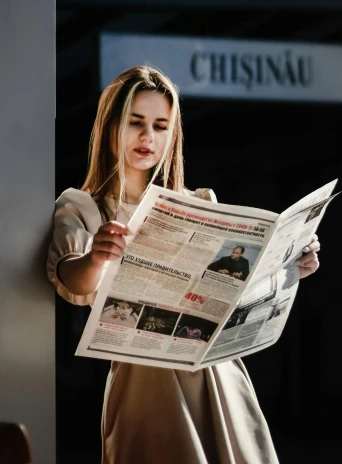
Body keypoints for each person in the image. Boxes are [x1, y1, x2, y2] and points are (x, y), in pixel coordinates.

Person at [47, 65, 321, 464]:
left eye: (161, 125)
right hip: (145, 381)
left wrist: (289, 267)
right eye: (135, 122)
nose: (147, 137)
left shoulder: (199, 203)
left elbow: (229, 287)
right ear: (109, 127)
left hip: (218, 373)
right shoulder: (82, 206)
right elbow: (71, 280)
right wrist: (95, 256)